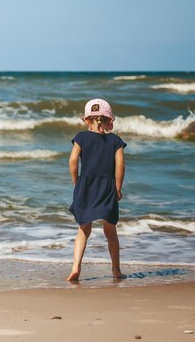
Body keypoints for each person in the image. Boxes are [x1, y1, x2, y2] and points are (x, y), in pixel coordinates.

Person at [67, 98, 126, 281]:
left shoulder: (81, 137)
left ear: (86, 120)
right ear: (109, 121)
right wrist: (117, 187)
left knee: (83, 229)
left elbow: (73, 160)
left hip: (86, 185)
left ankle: (76, 267)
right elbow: (120, 165)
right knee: (110, 231)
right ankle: (116, 271)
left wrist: (76, 181)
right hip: (107, 187)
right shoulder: (115, 140)